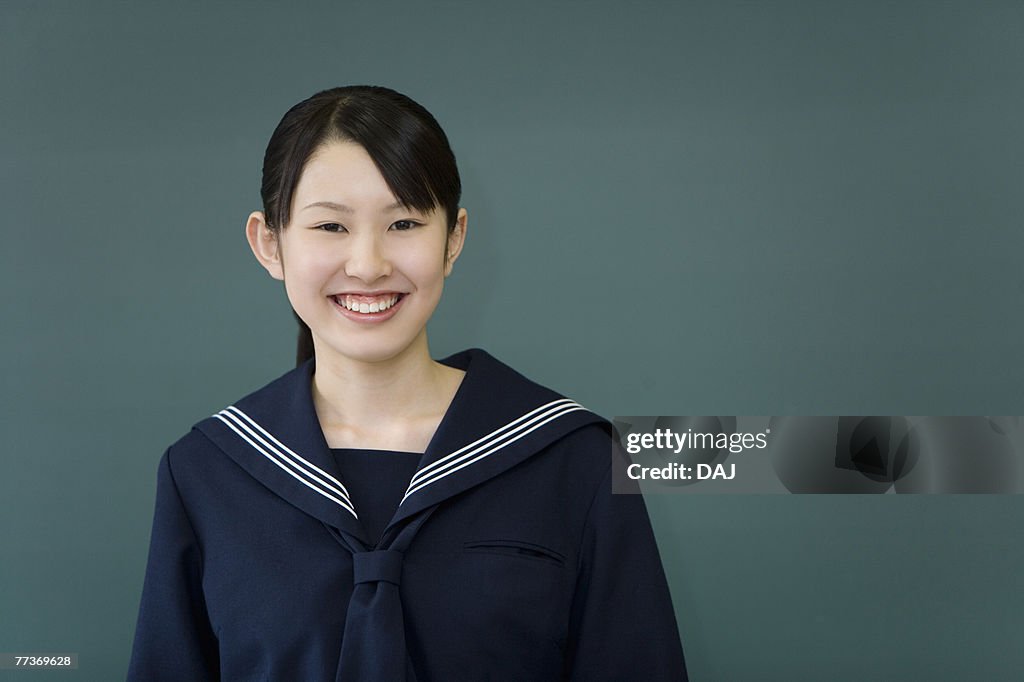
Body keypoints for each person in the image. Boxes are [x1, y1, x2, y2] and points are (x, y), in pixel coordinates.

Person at [127, 85, 687, 681]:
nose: (368, 264)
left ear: (454, 238)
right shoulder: (207, 472)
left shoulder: (575, 461)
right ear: (270, 243)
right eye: (330, 227)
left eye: (403, 222)